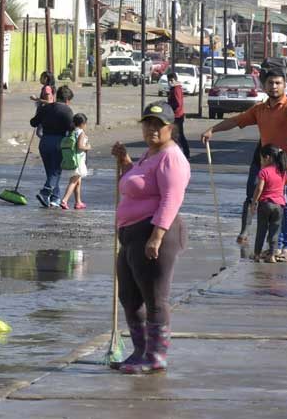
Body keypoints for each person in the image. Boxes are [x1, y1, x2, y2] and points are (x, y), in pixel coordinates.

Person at [110, 102, 190, 374]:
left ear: (171, 128)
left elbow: (171, 199)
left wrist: (156, 237)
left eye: (159, 124)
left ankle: (156, 356)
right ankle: (139, 351)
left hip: (155, 234)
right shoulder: (150, 155)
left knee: (155, 298)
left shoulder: (172, 157)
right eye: (148, 123)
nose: (152, 129)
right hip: (132, 235)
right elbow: (139, 186)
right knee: (129, 297)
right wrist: (125, 163)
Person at [201, 69, 287, 262]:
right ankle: (272, 247)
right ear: (264, 85)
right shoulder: (259, 109)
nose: (274, 86)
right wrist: (213, 129)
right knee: (265, 204)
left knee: (286, 205)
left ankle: (286, 247)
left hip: (286, 166)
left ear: (285, 85)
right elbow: (236, 120)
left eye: (278, 83)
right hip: (265, 164)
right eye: (270, 83)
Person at [30, 85, 74, 208]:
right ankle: (45, 192)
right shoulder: (67, 110)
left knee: (51, 172)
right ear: (67, 100)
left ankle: (55, 198)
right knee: (56, 171)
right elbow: (72, 128)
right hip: (58, 142)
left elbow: (33, 122)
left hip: (44, 142)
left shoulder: (47, 108)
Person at [250, 145, 287, 263]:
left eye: (262, 159)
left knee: (261, 230)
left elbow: (259, 188)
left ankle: (257, 254)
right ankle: (271, 255)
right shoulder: (282, 171)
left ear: (267, 158)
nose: (261, 161)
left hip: (265, 204)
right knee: (275, 231)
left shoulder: (264, 172)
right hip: (279, 206)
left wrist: (254, 202)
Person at [58, 113, 90, 210]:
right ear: (83, 123)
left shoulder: (70, 132)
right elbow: (80, 146)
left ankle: (78, 202)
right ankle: (64, 200)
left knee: (77, 181)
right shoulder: (81, 133)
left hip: (71, 158)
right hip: (78, 160)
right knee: (73, 181)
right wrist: (88, 147)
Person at [166, 72, 190, 158]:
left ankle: (185, 154)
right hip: (176, 115)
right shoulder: (175, 88)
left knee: (178, 136)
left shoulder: (176, 89)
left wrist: (169, 107)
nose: (170, 82)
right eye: (169, 80)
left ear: (175, 80)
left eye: (171, 80)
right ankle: (178, 153)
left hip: (177, 116)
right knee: (176, 136)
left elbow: (178, 103)